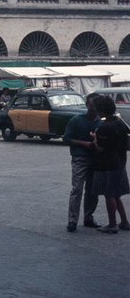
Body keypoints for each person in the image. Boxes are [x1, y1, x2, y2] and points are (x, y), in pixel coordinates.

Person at [90, 95, 130, 234]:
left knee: (109, 195)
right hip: (120, 162)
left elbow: (100, 148)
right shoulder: (120, 122)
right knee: (115, 194)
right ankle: (124, 221)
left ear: (100, 110)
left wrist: (95, 138)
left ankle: (112, 224)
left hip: (107, 164)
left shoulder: (105, 127)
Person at [63, 93, 101, 232]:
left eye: (96, 106)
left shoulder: (101, 122)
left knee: (92, 190)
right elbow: (67, 138)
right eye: (91, 105)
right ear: (86, 105)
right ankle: (72, 220)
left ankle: (88, 217)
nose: (93, 108)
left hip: (96, 159)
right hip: (80, 158)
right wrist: (84, 144)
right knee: (77, 189)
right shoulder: (76, 120)